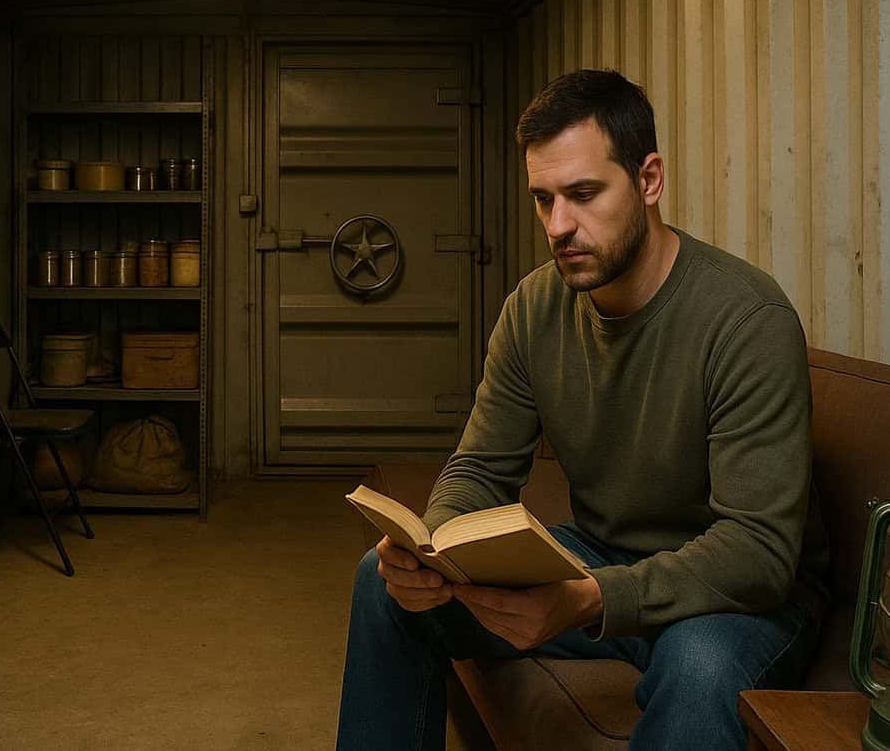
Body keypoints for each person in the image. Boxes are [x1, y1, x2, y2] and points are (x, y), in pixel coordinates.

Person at [336, 69, 830, 750]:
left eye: (584, 194)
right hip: (601, 556)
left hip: (732, 594)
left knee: (699, 666)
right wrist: (431, 552)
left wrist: (591, 598)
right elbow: (480, 467)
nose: (559, 225)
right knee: (380, 582)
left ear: (649, 180)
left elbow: (758, 552)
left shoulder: (746, 319)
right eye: (543, 200)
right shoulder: (534, 308)